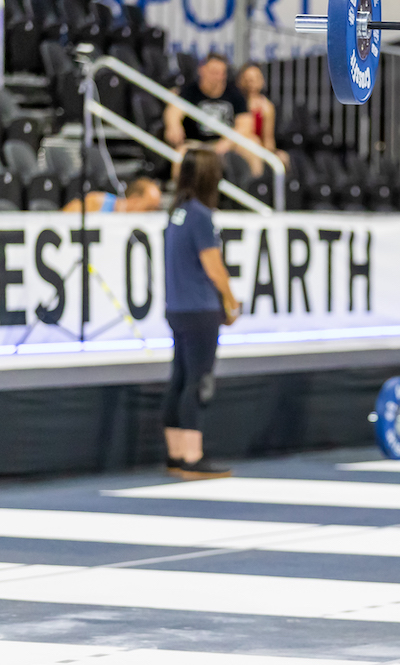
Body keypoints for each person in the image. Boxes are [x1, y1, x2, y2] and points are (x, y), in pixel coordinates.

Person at [162, 149, 241, 480]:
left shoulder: (177, 213)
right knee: (199, 381)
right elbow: (213, 266)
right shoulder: (200, 216)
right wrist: (230, 301)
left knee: (180, 379)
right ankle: (193, 457)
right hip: (200, 308)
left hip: (178, 307)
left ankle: (177, 453)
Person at [163, 53, 259, 177]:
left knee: (253, 144)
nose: (217, 77)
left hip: (227, 142)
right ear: (201, 70)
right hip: (197, 143)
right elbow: (174, 110)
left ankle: (257, 190)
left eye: (221, 73)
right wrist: (173, 125)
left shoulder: (234, 93)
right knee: (181, 154)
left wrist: (227, 143)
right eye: (213, 72)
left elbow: (245, 125)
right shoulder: (190, 91)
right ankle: (181, 193)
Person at [236, 62, 290, 169]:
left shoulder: (266, 106)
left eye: (255, 78)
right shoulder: (236, 102)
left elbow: (268, 138)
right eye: (248, 79)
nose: (251, 83)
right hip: (241, 146)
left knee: (283, 158)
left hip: (259, 147)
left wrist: (269, 155)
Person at [62, 177, 161, 213]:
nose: (151, 214)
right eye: (149, 208)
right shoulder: (98, 203)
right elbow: (62, 219)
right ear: (135, 199)